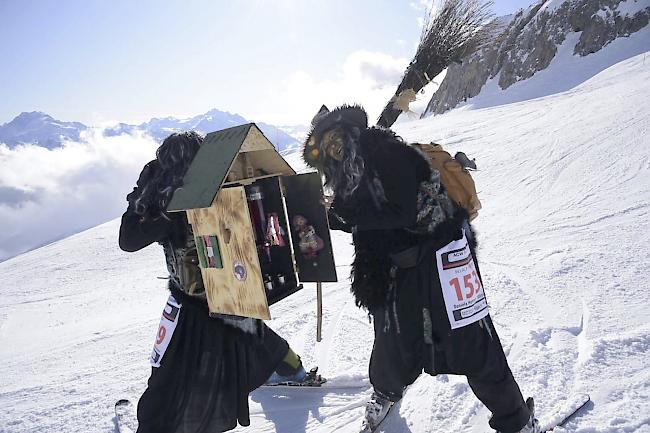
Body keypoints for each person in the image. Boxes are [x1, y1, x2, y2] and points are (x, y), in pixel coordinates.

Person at [302, 105, 540, 433]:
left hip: (444, 255)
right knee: (391, 338)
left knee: (472, 342)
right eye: (326, 145)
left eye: (334, 137)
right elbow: (365, 221)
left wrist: (350, 216)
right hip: (397, 264)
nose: (333, 147)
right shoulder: (350, 175)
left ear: (349, 131)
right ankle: (386, 392)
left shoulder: (386, 152)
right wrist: (328, 216)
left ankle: (519, 422)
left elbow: (401, 213)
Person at [119, 131, 310, 433]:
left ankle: (153, 426)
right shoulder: (224, 182)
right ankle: (294, 369)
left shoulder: (167, 204)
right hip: (233, 286)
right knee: (248, 332)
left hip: (193, 301)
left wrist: (138, 196)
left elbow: (128, 240)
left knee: (166, 373)